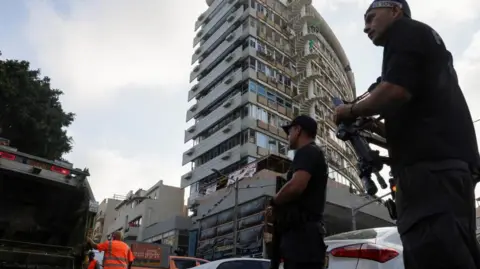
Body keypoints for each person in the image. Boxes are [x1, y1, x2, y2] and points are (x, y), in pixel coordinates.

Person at [334, 0, 480, 268]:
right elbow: (416, 113)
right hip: (446, 170)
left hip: (430, 174)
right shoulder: (424, 46)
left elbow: (393, 91)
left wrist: (350, 111)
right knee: (455, 254)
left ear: (395, 10)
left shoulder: (404, 32)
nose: (366, 28)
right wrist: (376, 126)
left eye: (371, 18)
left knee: (434, 255)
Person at [267, 115, 328, 269]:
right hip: (304, 237)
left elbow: (296, 186)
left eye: (290, 131)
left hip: (303, 238)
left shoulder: (307, 151)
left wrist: (273, 202)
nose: (288, 136)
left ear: (298, 130)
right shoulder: (312, 153)